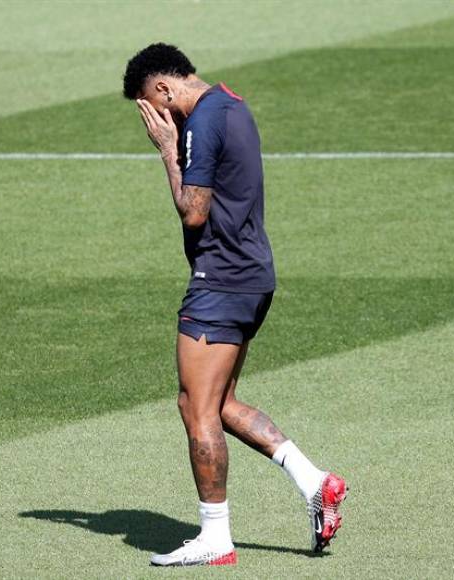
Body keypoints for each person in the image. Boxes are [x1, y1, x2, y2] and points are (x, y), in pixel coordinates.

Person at [122, 43, 347, 567]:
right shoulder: (232, 103)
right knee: (220, 403)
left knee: (194, 406)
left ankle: (215, 537)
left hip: (219, 280)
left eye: (150, 107)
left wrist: (166, 147)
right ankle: (316, 483)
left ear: (163, 89)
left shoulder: (200, 121)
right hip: (249, 277)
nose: (154, 117)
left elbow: (193, 210)